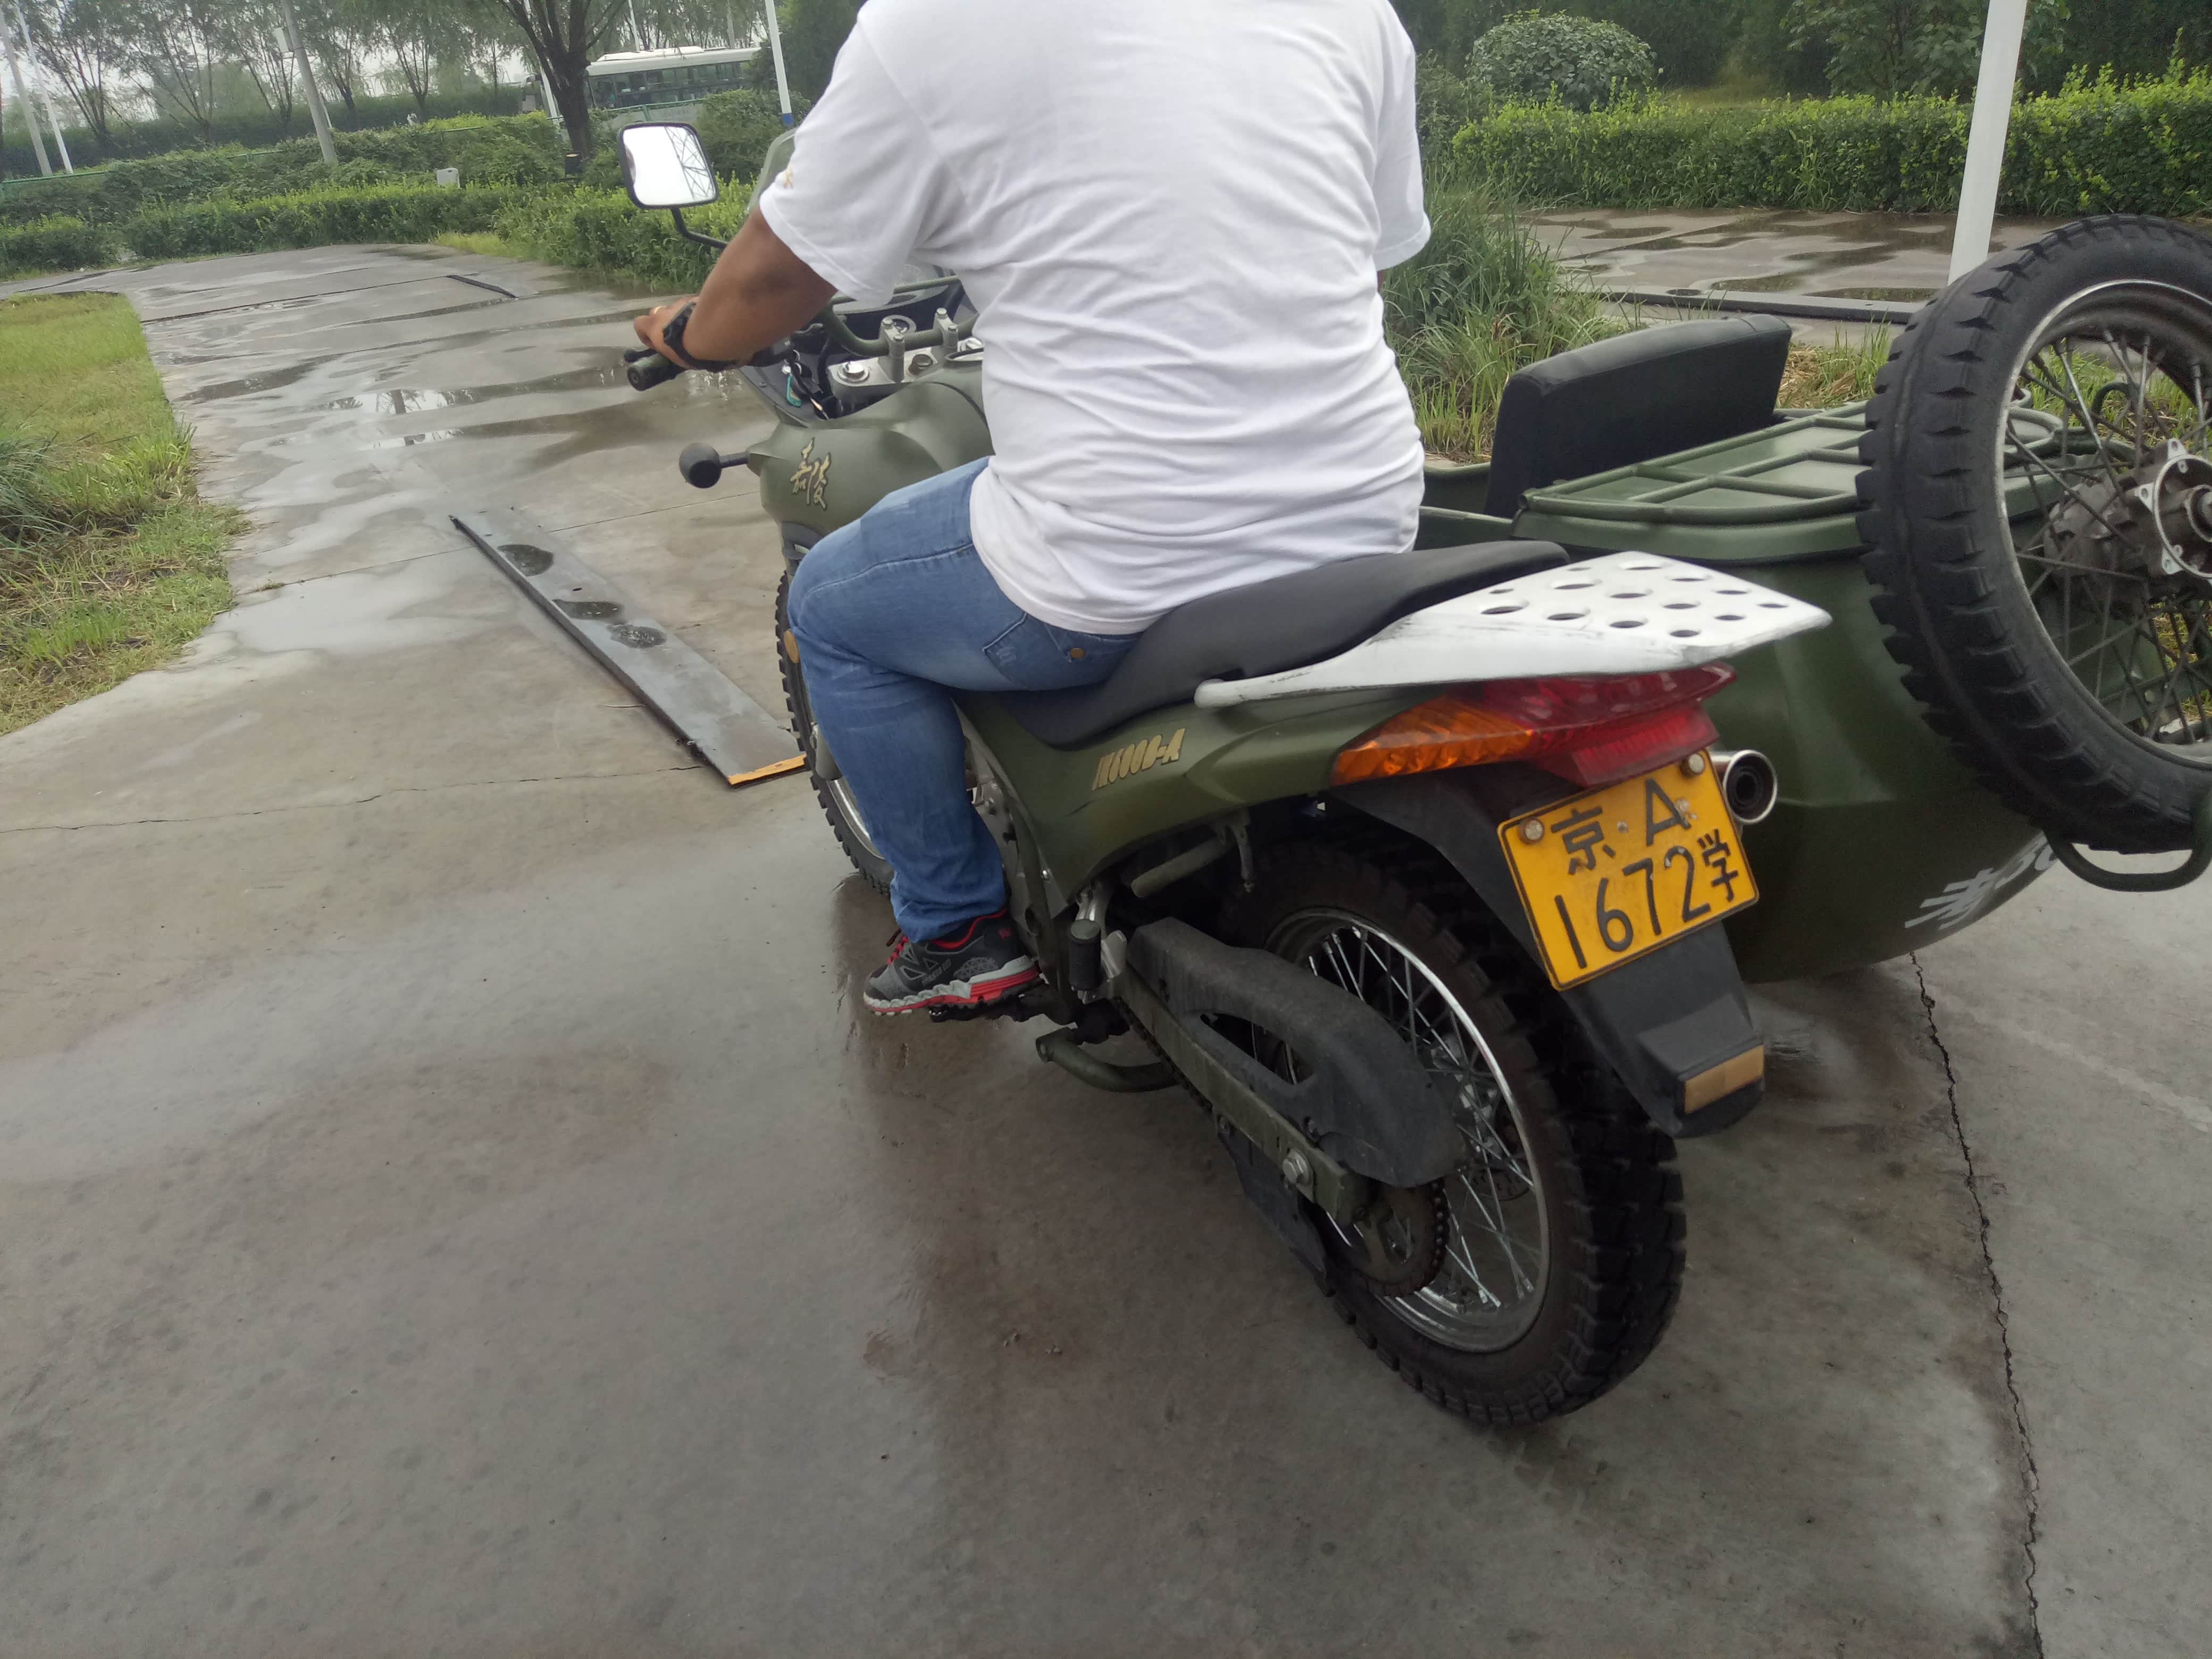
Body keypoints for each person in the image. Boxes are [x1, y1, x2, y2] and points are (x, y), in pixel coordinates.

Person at [633, 0, 1429, 1013]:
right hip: (1368, 513)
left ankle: (955, 929)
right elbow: (1369, 248)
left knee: (829, 605)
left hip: (1120, 552)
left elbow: (776, 275)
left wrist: (691, 335)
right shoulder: (1351, 10)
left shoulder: (932, 24)